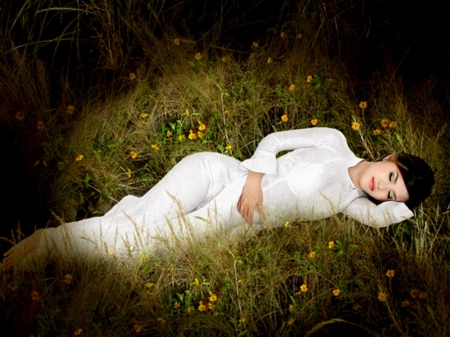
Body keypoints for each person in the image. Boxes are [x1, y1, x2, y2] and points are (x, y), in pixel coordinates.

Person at [2, 127, 434, 271]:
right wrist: (254, 180)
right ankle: (34, 253)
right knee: (132, 239)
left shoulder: (352, 202)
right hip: (219, 173)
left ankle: (42, 246)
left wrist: (405, 207)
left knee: (133, 244)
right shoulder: (336, 142)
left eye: (391, 192)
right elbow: (275, 139)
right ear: (389, 156)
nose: (383, 187)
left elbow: (383, 218)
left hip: (226, 219)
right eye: (391, 176)